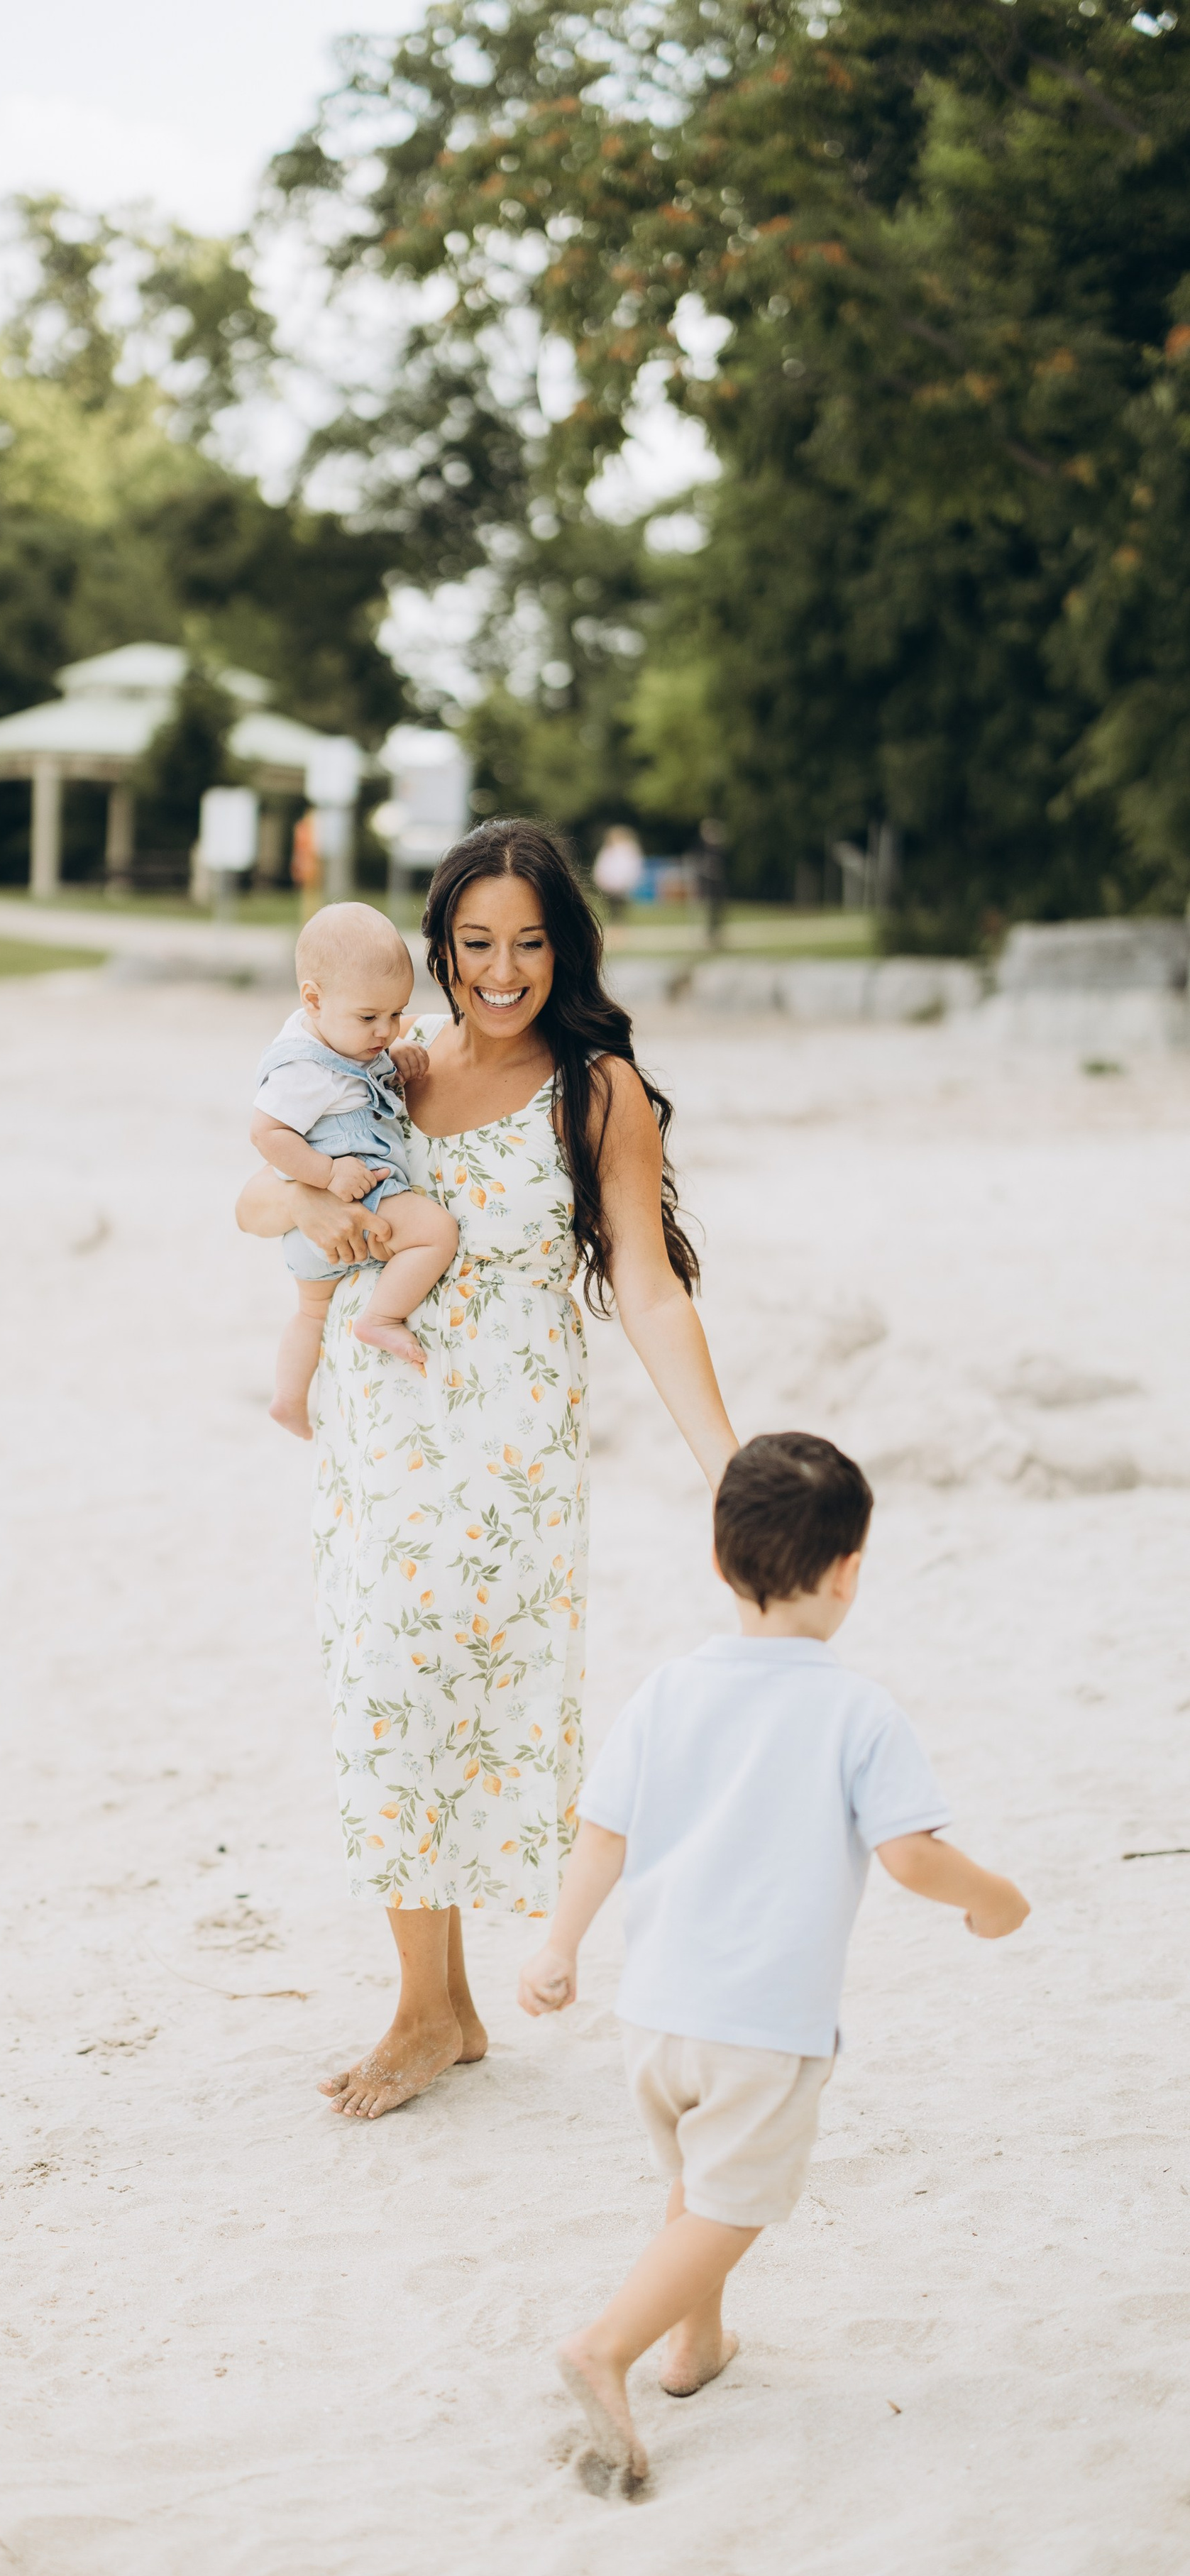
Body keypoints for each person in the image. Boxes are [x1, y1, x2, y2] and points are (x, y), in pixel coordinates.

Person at [234, 818, 738, 2120]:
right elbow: (254, 1195)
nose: (502, 971)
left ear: (563, 945)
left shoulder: (599, 1088)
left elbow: (645, 1278)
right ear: (438, 948)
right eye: (474, 944)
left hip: (511, 1456)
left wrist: (725, 1465)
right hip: (383, 1440)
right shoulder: (387, 1065)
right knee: (391, 1690)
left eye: (527, 942)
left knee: (464, 1705)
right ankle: (434, 2007)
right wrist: (308, 1204)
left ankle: (435, 2011)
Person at [517, 1431, 1030, 2491]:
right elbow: (911, 1856)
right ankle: (604, 2347)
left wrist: (559, 1945)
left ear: (720, 1562)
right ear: (850, 1573)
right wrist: (994, 1901)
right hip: (761, 2023)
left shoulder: (667, 1691)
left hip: (654, 2016)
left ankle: (692, 2346)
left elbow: (603, 1829)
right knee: (734, 2205)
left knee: (695, 2181)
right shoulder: (857, 1710)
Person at [253, 903, 461, 1440]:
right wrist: (323, 1175)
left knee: (309, 1315)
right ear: (314, 1000)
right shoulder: (303, 1067)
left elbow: (371, 1068)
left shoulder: (344, 1039)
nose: (385, 1030)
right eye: (370, 1018)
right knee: (436, 1232)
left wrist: (400, 1058)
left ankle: (289, 1399)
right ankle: (382, 1318)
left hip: (314, 1237)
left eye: (397, 1013)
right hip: (357, 1193)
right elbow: (266, 1135)